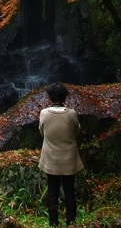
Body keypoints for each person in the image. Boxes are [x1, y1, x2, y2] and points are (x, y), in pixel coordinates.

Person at [38, 83, 83, 226]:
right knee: (69, 191)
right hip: (69, 158)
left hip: (51, 158)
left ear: (50, 98)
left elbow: (42, 132)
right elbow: (77, 131)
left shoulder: (44, 113)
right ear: (65, 97)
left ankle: (53, 222)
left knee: (52, 191)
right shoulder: (71, 113)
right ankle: (71, 221)